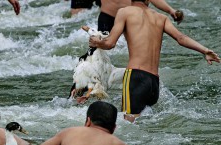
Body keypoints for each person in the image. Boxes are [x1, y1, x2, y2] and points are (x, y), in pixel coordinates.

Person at [89, 0, 220, 122]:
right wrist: (205, 50)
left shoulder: (125, 12)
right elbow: (181, 38)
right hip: (154, 83)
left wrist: (96, 42)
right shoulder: (161, 17)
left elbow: (110, 43)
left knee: (129, 125)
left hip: (136, 78)